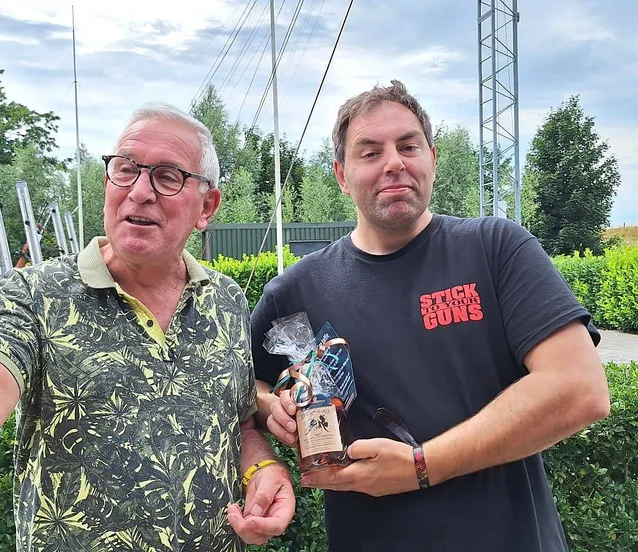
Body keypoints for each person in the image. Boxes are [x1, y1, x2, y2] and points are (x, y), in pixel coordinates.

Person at [0, 76, 295, 551]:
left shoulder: (225, 299)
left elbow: (240, 423)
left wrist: (263, 467)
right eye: (125, 169)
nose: (140, 191)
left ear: (206, 205)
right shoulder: (37, 293)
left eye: (168, 176)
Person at [250, 80, 610, 552]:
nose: (394, 162)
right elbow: (245, 388)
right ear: (340, 175)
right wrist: (275, 407)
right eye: (369, 151)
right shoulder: (295, 291)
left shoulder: (496, 248)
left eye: (408, 145)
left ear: (432, 159)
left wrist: (423, 465)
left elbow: (580, 389)